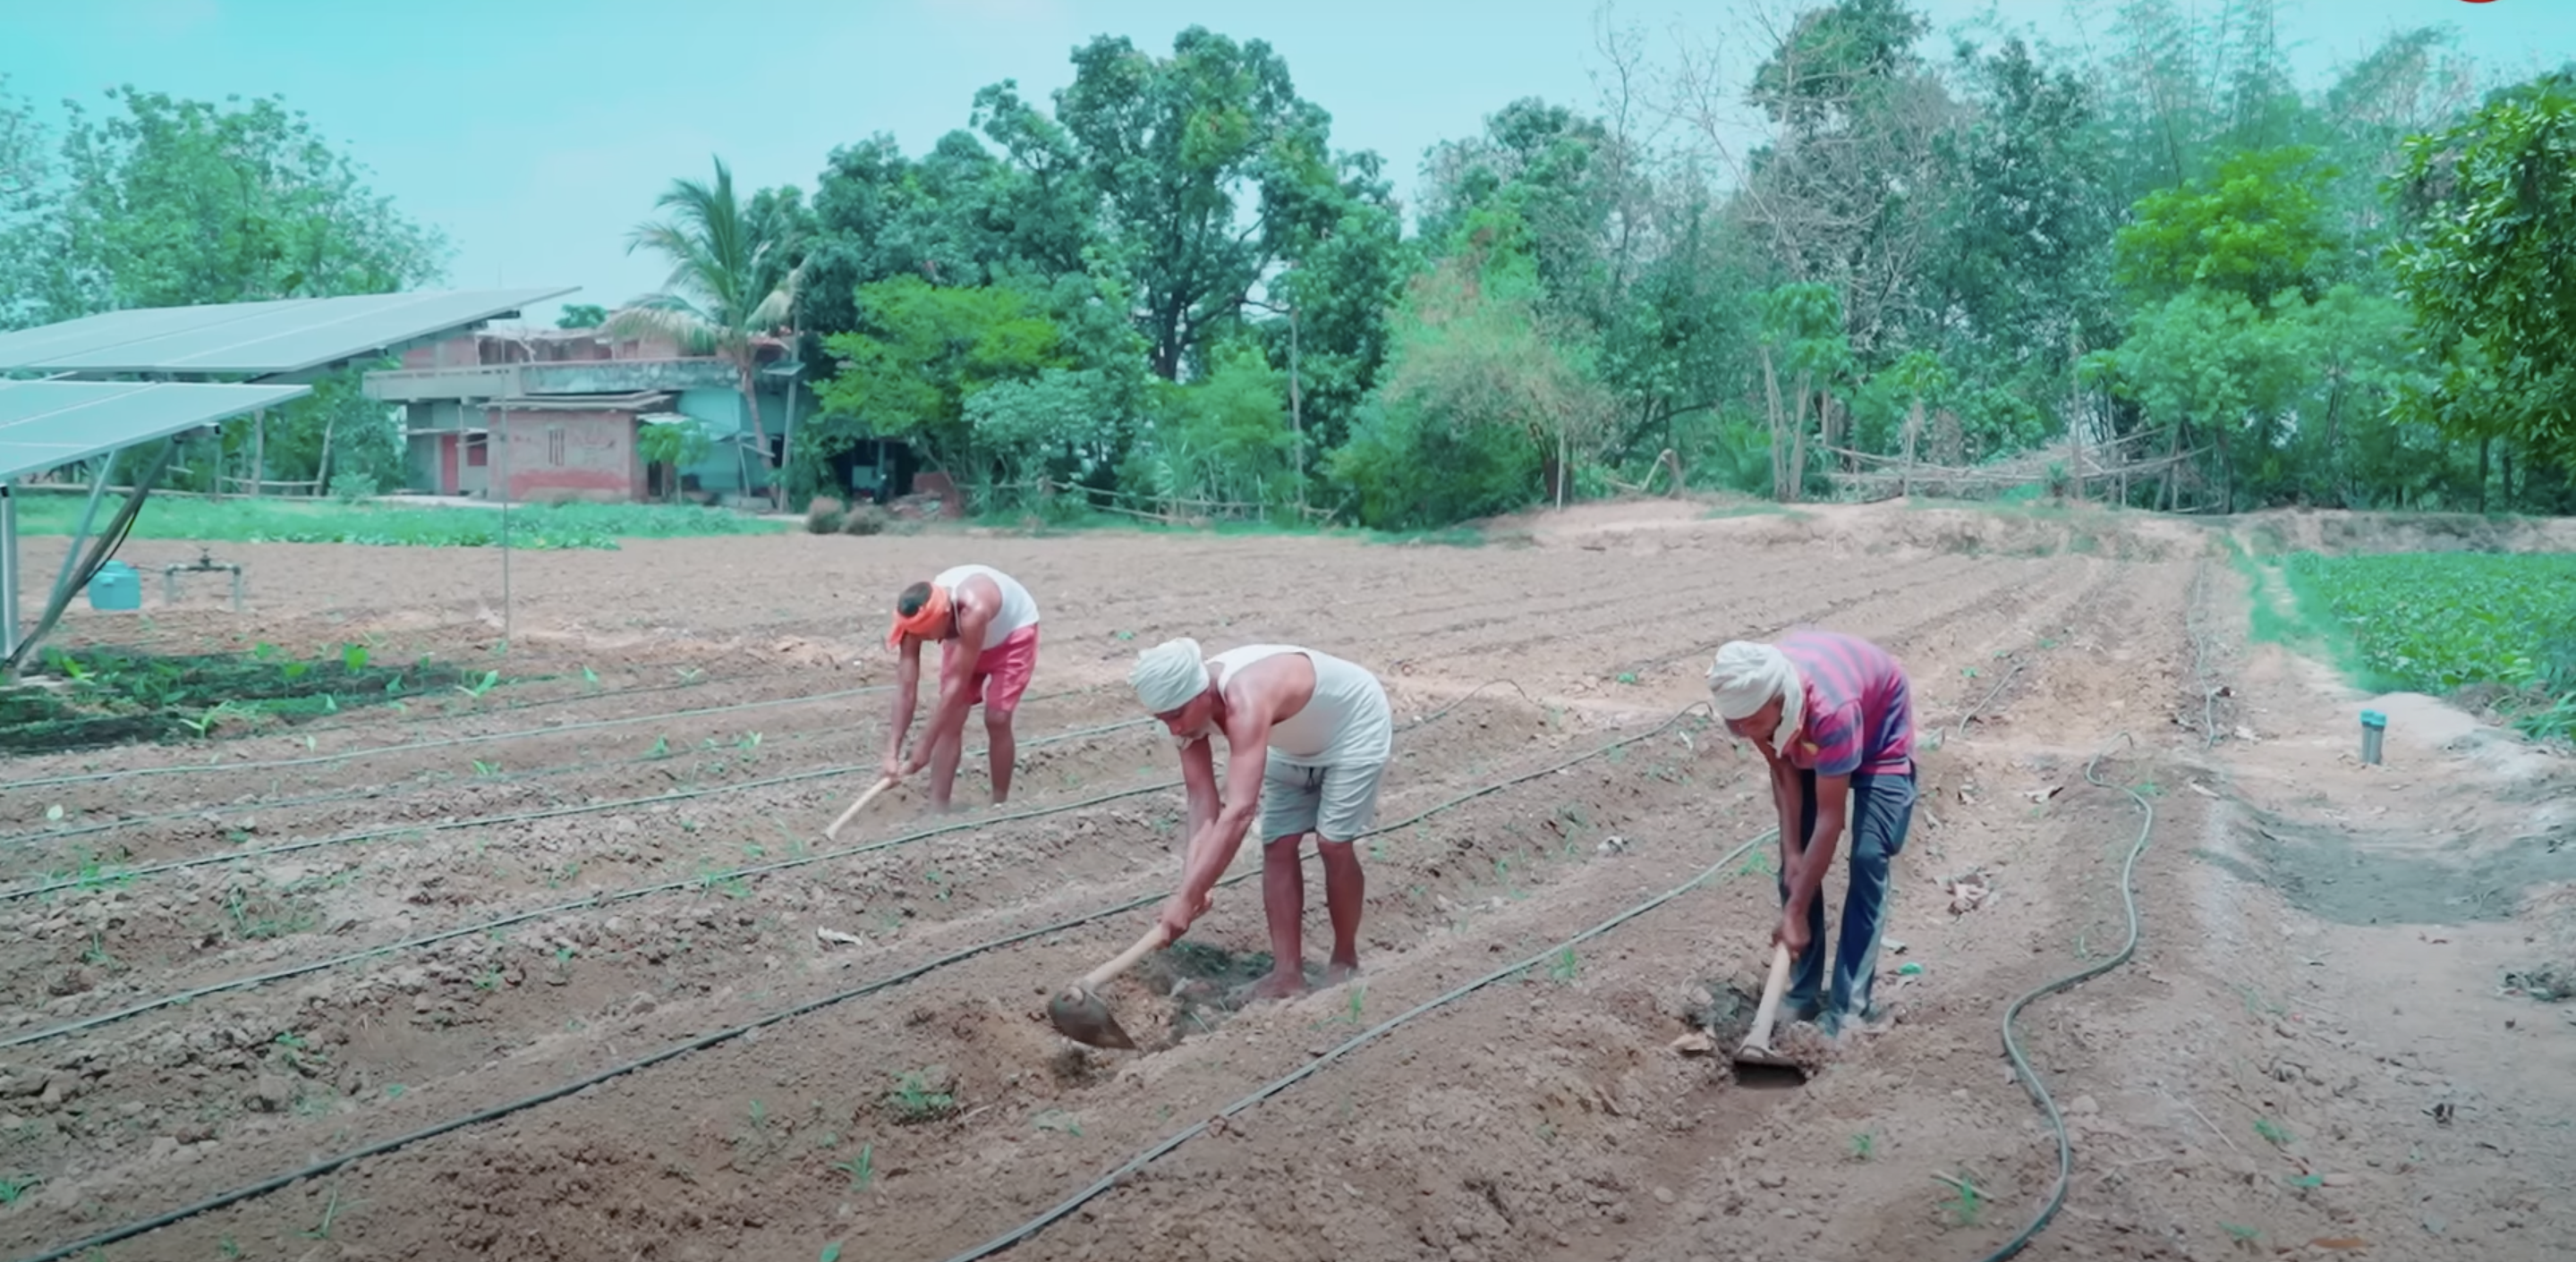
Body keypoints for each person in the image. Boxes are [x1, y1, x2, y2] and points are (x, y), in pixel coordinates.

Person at [1126, 638, 1395, 1002]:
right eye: (1162, 719)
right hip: (1293, 742)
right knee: (1278, 843)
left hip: (1354, 727)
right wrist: (1193, 885)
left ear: (1200, 693)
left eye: (1176, 716)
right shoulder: (1183, 716)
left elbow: (1239, 811)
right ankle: (1287, 974)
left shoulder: (1245, 697)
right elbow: (1201, 799)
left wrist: (1186, 899)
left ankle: (1344, 960)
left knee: (1333, 843)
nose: (1172, 728)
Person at [1705, 630, 1917, 1040]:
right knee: (1796, 866)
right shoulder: (1748, 709)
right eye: (1739, 724)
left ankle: (1849, 1009)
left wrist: (1795, 911)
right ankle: (1803, 993)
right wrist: (1792, 854)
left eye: (1754, 721)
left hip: (1878, 732)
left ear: (1780, 700)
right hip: (1813, 721)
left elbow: (1829, 818)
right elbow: (1783, 769)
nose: (1747, 730)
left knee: (1868, 857)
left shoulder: (1832, 710)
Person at [881, 563, 1041, 810]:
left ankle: (999, 805)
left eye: (929, 634)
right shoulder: (913, 621)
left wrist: (925, 744)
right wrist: (891, 751)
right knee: (951, 721)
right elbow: (906, 687)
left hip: (1012, 636)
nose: (930, 640)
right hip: (965, 642)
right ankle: (938, 808)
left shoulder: (972, 609)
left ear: (945, 615)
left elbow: (957, 685)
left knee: (997, 718)